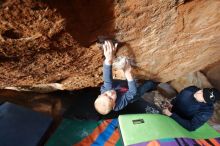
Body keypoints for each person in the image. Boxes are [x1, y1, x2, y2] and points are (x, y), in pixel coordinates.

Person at [94, 40, 159, 115]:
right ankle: (154, 86)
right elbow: (132, 92)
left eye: (106, 94)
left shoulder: (105, 89)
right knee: (148, 84)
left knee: (133, 82)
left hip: (124, 86)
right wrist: (128, 73)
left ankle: (142, 84)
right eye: (111, 99)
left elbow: (107, 79)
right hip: (132, 94)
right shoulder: (119, 105)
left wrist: (108, 60)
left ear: (100, 95)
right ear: (114, 105)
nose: (110, 93)